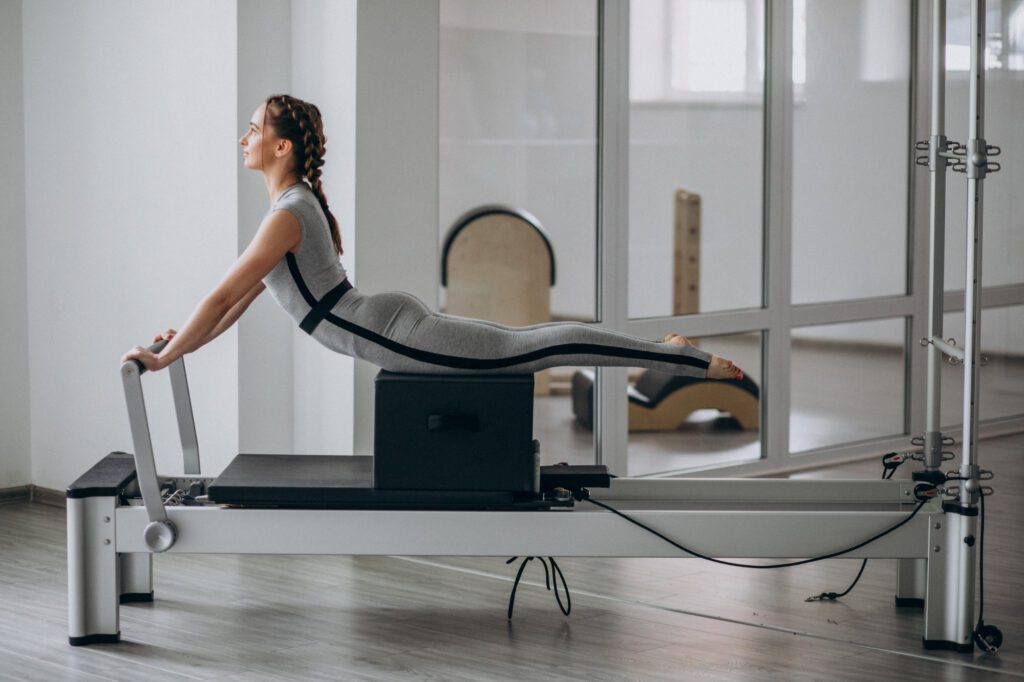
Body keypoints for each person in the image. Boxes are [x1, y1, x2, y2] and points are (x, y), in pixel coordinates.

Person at [121, 94, 742, 382]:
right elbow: (236, 302)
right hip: (393, 326)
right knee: (532, 343)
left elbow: (219, 294)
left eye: (251, 129)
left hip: (397, 335)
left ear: (279, 146)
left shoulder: (288, 214)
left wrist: (163, 356)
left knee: (539, 348)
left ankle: (680, 357)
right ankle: (673, 350)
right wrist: (181, 348)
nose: (243, 138)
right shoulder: (294, 206)